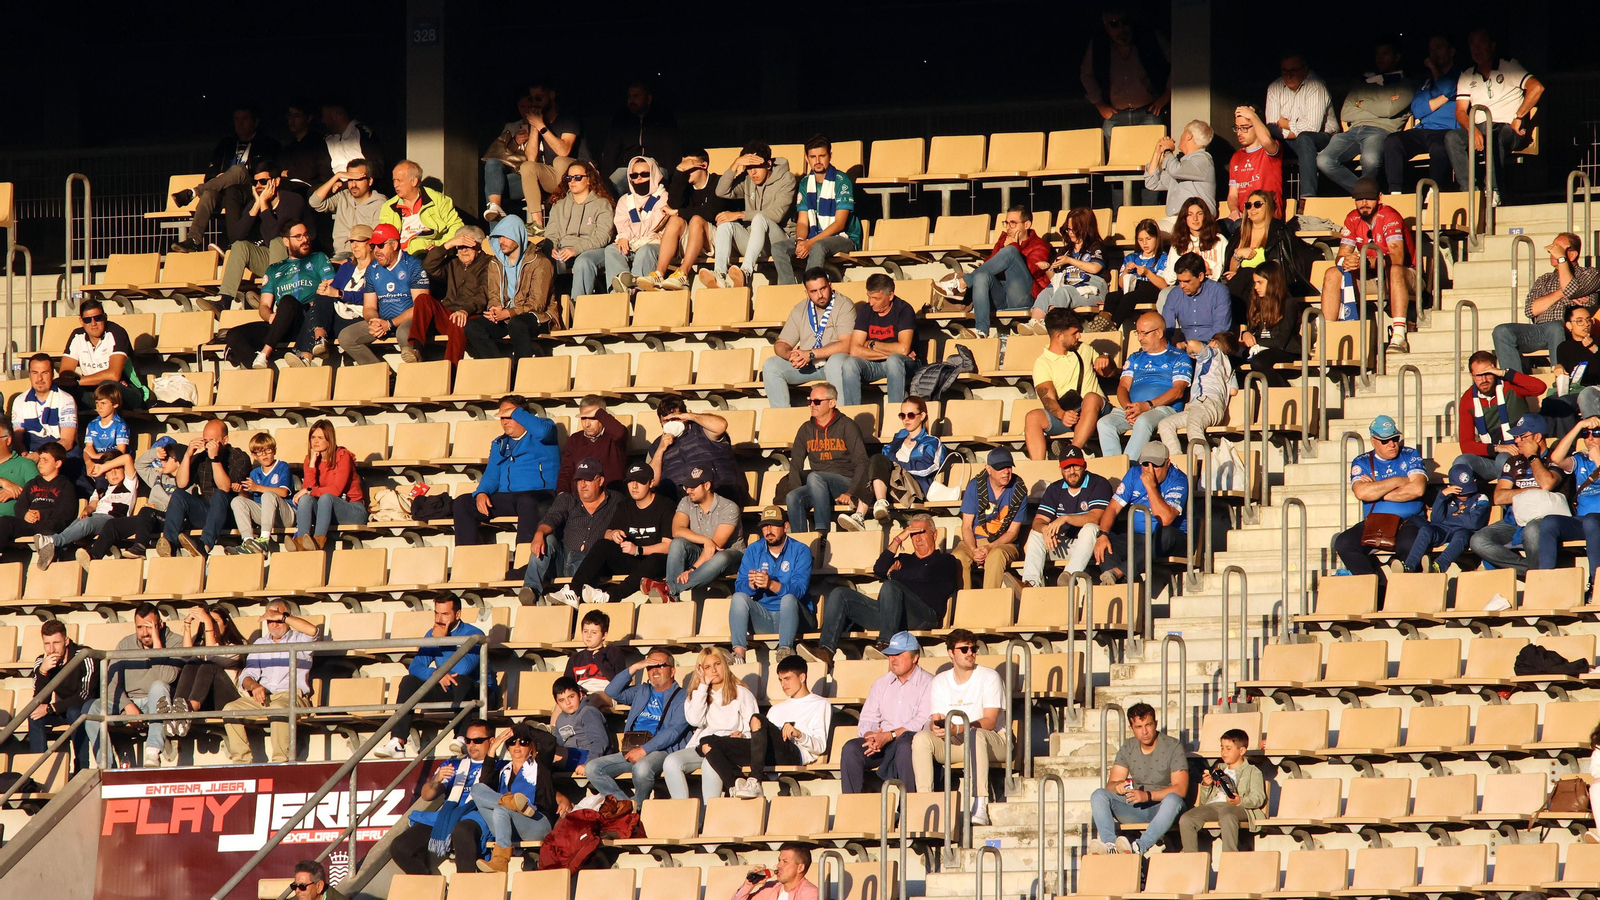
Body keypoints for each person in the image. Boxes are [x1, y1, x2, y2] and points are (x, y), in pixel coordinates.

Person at [815, 514, 960, 667]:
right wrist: (898, 539)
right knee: (840, 594)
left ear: (934, 534)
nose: (917, 538)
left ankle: (885, 644)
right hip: (892, 616)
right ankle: (826, 650)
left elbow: (924, 574)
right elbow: (879, 569)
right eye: (913, 534)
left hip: (924, 616)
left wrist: (894, 575)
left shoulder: (946, 560)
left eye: (921, 532)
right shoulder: (905, 559)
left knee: (891, 586)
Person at [707, 652, 832, 799]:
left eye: (787, 679)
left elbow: (820, 746)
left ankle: (755, 781)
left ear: (802, 677)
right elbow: (761, 739)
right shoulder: (776, 709)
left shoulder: (820, 704)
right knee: (707, 742)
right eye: (780, 680)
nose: (783, 685)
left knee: (757, 718)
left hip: (794, 754)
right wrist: (743, 738)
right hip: (768, 753)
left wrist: (799, 734)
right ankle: (734, 785)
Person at [914, 629, 1007, 825]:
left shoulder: (990, 677)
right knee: (921, 738)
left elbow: (990, 721)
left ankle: (980, 804)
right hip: (957, 741)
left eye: (974, 649)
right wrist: (936, 727)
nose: (970, 653)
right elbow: (936, 718)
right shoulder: (940, 681)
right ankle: (925, 804)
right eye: (964, 649)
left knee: (976, 734)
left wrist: (959, 728)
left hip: (994, 741)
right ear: (951, 653)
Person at [375, 596, 485, 759]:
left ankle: (462, 738)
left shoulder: (473, 634)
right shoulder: (432, 634)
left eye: (445, 614)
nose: (439, 619)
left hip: (479, 692)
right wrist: (435, 674)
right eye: (437, 613)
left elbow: (463, 668)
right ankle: (398, 742)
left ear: (457, 614)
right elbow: (415, 667)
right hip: (449, 689)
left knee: (461, 680)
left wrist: (443, 641)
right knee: (409, 682)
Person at [167, 104, 282, 253]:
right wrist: (218, 177)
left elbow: (267, 172)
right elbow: (210, 174)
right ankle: (193, 240)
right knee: (208, 194)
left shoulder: (267, 144)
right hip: (224, 191)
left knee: (239, 170)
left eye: (244, 119)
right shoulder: (226, 144)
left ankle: (192, 193)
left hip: (250, 189)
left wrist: (235, 175)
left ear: (256, 121)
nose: (240, 123)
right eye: (236, 119)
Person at [1317, 177, 1414, 353]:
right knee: (1333, 273)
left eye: (1369, 198)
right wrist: (1346, 261)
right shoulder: (1353, 218)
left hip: (1405, 276)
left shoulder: (1390, 216)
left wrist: (1367, 262)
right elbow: (1341, 256)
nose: (1364, 203)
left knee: (1395, 270)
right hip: (1373, 277)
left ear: (1379, 198)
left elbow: (1397, 258)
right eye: (1359, 199)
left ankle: (1399, 336)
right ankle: (1326, 337)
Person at [586, 648, 692, 808]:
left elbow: (674, 731)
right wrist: (635, 667)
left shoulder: (682, 696)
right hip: (632, 747)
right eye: (650, 666)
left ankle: (640, 807)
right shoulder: (642, 691)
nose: (655, 670)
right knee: (593, 768)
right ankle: (627, 806)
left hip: (661, 750)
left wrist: (644, 750)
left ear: (672, 671)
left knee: (641, 769)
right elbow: (611, 691)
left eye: (660, 665)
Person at [1447, 28, 1544, 198]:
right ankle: (1469, 192)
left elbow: (1537, 87)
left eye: (1481, 43)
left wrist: (1519, 116)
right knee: (1452, 137)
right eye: (1473, 45)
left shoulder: (1508, 66)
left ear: (1492, 46)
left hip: (1507, 128)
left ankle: (1493, 191)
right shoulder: (1467, 74)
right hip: (1480, 127)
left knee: (1493, 137)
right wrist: (1472, 129)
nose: (1477, 49)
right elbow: (1460, 111)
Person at [226, 218, 335, 369]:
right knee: (233, 335)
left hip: (305, 320)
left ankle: (265, 354)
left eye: (306, 235)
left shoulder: (318, 258)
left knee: (287, 301)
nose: (305, 239)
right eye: (298, 236)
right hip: (281, 323)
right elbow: (264, 305)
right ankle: (261, 373)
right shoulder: (274, 269)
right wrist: (270, 316)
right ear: (286, 241)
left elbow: (330, 288)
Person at [389, 720, 494, 876]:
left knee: (462, 831)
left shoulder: (501, 766)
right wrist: (436, 780)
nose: (472, 745)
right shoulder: (454, 764)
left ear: (491, 741)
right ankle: (430, 885)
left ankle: (464, 886)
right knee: (400, 847)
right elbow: (426, 795)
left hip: (477, 818)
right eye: (468, 740)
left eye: (478, 740)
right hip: (448, 816)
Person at [1332, 415, 1428, 584]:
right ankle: (1374, 587)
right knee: (1343, 543)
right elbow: (1361, 493)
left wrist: (1377, 490)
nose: (1392, 444)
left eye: (1395, 438)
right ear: (1373, 441)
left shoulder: (1410, 454)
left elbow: (1417, 489)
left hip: (1409, 520)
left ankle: (1403, 590)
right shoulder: (1361, 461)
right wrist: (1398, 481)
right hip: (1377, 522)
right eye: (1385, 441)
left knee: (1408, 545)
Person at [454, 396, 559, 550]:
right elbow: (492, 473)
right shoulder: (500, 443)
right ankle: (466, 555)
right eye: (502, 417)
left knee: (527, 501)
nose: (505, 421)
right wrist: (482, 492)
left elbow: (543, 431)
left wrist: (516, 412)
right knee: (463, 502)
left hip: (540, 493)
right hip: (509, 496)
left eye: (509, 416)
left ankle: (523, 556)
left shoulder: (543, 433)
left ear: (522, 415)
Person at [213, 159, 315, 312]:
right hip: (274, 259)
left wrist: (264, 205)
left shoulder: (293, 201)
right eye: (255, 183)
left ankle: (271, 301)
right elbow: (235, 236)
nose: (258, 186)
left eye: (263, 181)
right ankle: (224, 301)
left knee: (278, 242)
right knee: (240, 246)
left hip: (299, 260)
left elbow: (277, 234)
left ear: (276, 181)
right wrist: (256, 206)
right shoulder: (257, 202)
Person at [222, 599, 317, 764]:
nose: (274, 624)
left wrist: (282, 616)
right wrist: (254, 686)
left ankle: (280, 762)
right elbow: (247, 675)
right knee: (230, 709)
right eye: (270, 619)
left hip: (293, 697)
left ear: (287, 617)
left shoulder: (300, 639)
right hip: (264, 698)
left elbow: (313, 631)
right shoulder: (260, 643)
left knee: (278, 708)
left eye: (278, 619)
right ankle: (241, 762)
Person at [85, 603, 180, 767]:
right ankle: (106, 766)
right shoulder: (125, 644)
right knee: (91, 709)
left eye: (149, 627)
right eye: (140, 627)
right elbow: (109, 682)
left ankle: (152, 753)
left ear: (160, 625)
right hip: (129, 703)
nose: (145, 633)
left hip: (157, 703)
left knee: (159, 686)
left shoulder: (175, 641)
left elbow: (167, 676)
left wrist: (157, 645)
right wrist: (127, 705)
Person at [1491, 233, 1600, 374]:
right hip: (1541, 331)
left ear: (1572, 255)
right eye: (1552, 249)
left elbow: (1570, 289)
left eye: (1557, 249)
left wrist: (1562, 260)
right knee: (1501, 331)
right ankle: (1514, 382)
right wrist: (1561, 293)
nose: (1552, 253)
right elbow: (1530, 310)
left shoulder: (1589, 274)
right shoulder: (1544, 279)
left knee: (1555, 327)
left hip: (1570, 331)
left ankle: (1560, 378)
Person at [1089, 701, 1188, 855]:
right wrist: (1117, 787)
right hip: (1136, 807)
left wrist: (1147, 795)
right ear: (1131, 728)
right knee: (1098, 795)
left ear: (1155, 724)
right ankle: (1110, 845)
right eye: (1139, 727)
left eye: (1148, 725)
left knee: (1173, 800)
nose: (1145, 731)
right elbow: (1111, 784)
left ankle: (1139, 847)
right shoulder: (1128, 747)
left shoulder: (1173, 746)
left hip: (1164, 809)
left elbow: (1180, 789)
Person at [567, 465, 675, 605]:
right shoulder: (624, 506)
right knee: (602, 545)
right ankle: (573, 591)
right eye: (630, 481)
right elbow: (607, 534)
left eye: (640, 481)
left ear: (651, 483)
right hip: (631, 561)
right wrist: (614, 534)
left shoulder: (665, 505)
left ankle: (610, 596)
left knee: (656, 559)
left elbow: (668, 546)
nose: (634, 486)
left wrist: (638, 550)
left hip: (655, 563)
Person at [839, 632, 932, 793]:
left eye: (899, 654)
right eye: (890, 655)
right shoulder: (881, 684)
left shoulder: (929, 682)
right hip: (881, 742)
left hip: (908, 741)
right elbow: (867, 718)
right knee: (850, 749)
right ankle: (852, 803)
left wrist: (889, 735)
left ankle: (908, 804)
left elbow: (922, 721)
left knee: (905, 747)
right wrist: (871, 735)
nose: (893, 659)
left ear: (915, 657)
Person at [1317, 42, 1414, 195]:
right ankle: (1367, 194)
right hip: (1353, 131)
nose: (1379, 58)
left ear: (1397, 57)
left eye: (1385, 54)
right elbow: (1346, 113)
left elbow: (1390, 110)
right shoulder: (1364, 83)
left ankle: (1366, 197)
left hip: (1381, 131)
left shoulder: (1406, 84)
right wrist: (1381, 107)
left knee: (1370, 159)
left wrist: (1361, 104)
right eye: (1377, 54)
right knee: (1324, 160)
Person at [665, 648, 759, 800]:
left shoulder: (742, 693)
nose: (714, 670)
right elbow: (695, 721)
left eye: (717, 664)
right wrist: (702, 687)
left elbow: (754, 726)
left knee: (710, 763)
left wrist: (743, 736)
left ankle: (710, 810)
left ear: (724, 665)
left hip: (729, 746)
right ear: (701, 670)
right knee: (671, 762)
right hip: (702, 745)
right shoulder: (697, 694)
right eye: (707, 667)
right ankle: (683, 809)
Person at [838, 395, 946, 529]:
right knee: (873, 463)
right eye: (902, 415)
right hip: (891, 486)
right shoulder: (898, 439)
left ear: (922, 415)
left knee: (877, 462)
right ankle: (864, 513)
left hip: (913, 489)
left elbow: (927, 468)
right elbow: (882, 460)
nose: (906, 419)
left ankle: (870, 508)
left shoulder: (932, 442)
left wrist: (897, 466)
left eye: (911, 415)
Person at [1098, 311, 1193, 458]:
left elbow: (1178, 391)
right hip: (1133, 408)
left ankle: (1129, 466)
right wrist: (1129, 409)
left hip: (1163, 409)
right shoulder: (1135, 357)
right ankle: (1115, 466)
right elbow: (1123, 386)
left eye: (1144, 333)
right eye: (1138, 333)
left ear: (1159, 333)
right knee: (1104, 423)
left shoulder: (1179, 357)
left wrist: (1147, 406)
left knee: (1143, 421)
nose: (1139, 338)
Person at [524, 458, 619, 605]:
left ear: (600, 481)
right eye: (579, 480)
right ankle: (530, 590)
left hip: (589, 563)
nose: (582, 484)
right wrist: (539, 533)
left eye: (587, 479)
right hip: (562, 558)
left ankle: (572, 595)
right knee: (547, 539)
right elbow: (551, 518)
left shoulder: (616, 501)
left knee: (596, 555)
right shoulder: (567, 499)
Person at [465, 215, 560, 360]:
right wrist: (495, 309)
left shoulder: (540, 262)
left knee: (517, 324)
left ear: (517, 235)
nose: (501, 241)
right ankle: (498, 367)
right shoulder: (495, 263)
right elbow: (494, 294)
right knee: (473, 327)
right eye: (499, 237)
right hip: (506, 316)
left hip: (539, 317)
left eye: (506, 236)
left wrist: (508, 313)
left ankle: (521, 368)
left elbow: (538, 303)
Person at [1094, 443, 1190, 585]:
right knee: (1108, 544)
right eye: (1145, 464)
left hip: (1173, 539)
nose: (1150, 470)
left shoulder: (1178, 479)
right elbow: (1113, 508)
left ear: (1167, 463)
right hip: (1140, 537)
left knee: (1165, 534)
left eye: (1156, 465)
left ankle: (1119, 572)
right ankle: (1120, 586)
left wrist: (1150, 487)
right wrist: (1103, 534)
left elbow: (1166, 519)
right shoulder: (1134, 473)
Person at [729, 506, 815, 663]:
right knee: (738, 597)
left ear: (785, 526)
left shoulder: (801, 550)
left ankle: (785, 650)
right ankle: (739, 655)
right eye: (765, 526)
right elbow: (739, 586)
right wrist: (751, 585)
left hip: (797, 617)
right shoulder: (753, 550)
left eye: (774, 525)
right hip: (764, 617)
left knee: (788, 598)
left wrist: (771, 584)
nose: (769, 531)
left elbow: (799, 590)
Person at [705, 142, 797, 289]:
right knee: (725, 223)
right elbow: (721, 192)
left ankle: (746, 271)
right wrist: (735, 164)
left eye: (756, 167)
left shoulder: (787, 179)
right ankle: (719, 274)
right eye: (748, 168)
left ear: (768, 164)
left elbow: (777, 214)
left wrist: (740, 214)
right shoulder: (748, 179)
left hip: (780, 241)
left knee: (759, 218)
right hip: (754, 242)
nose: (753, 172)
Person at [1022, 447, 1115, 589]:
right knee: (1036, 534)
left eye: (1076, 466)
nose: (1072, 471)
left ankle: (1068, 578)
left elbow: (1096, 517)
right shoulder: (1055, 488)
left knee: (1090, 528)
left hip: (1093, 546)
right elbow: (1038, 521)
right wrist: (1046, 530)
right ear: (1061, 469)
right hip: (1064, 544)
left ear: (1084, 465)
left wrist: (1065, 518)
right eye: (1067, 467)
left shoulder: (1098, 483)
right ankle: (1031, 584)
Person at [773, 135, 861, 284]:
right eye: (813, 157)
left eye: (822, 156)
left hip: (844, 237)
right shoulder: (805, 183)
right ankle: (789, 289)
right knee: (778, 248)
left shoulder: (842, 181)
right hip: (813, 236)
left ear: (830, 156)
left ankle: (810, 289)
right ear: (807, 158)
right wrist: (801, 241)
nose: (817, 161)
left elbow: (839, 224)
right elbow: (802, 221)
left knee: (818, 246)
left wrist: (810, 243)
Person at [337, 223, 428, 365]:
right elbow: (369, 307)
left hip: (408, 320)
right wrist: (374, 322)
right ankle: (381, 372)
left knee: (403, 333)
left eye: (380, 245)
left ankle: (415, 366)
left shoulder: (413, 265)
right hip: (383, 321)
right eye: (373, 246)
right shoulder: (373, 268)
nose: (376, 251)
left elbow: (421, 307)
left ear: (394, 245)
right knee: (347, 337)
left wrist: (390, 324)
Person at [955, 206, 1051, 339]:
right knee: (981, 276)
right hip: (1000, 295)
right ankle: (981, 331)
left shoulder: (1040, 246)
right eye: (1006, 223)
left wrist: (1014, 247)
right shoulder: (1004, 240)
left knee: (1010, 252)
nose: (1008, 228)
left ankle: (963, 283)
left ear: (1027, 225)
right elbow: (991, 262)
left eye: (1013, 223)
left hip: (1022, 297)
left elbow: (1031, 270)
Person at [471, 722, 557, 872]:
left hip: (537, 822)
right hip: (506, 827)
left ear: (531, 746)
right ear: (508, 747)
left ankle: (500, 859)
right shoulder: (502, 770)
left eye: (523, 742)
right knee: (477, 789)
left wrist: (519, 729)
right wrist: (492, 749)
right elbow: (484, 783)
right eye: (512, 742)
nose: (517, 746)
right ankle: (512, 802)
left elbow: (549, 741)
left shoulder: (540, 765)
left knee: (501, 809)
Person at [764, 269, 856, 406]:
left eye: (823, 289)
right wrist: (791, 355)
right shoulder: (800, 309)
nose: (820, 295)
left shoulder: (844, 305)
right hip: (808, 364)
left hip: (833, 363)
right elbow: (781, 343)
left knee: (836, 362)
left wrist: (811, 354)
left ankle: (840, 414)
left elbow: (846, 344)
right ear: (807, 293)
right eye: (813, 291)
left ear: (830, 286)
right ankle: (782, 416)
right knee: (771, 366)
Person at [1452, 351, 1546, 485]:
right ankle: (1471, 498)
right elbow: (1466, 445)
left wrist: (1504, 373)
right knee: (1461, 462)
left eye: (1488, 373)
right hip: (1493, 456)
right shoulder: (1468, 400)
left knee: (1503, 459)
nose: (1484, 380)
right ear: (1471, 375)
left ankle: (1505, 497)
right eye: (1478, 375)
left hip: (1520, 453)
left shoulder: (1509, 386)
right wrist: (1496, 448)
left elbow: (1540, 387)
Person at [785, 384, 869, 534]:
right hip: (817, 487)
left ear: (832, 403)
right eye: (809, 401)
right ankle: (800, 541)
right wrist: (797, 489)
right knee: (793, 497)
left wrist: (851, 492)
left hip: (844, 483)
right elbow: (795, 464)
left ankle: (822, 533)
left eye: (817, 401)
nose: (812, 405)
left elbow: (862, 462)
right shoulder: (805, 429)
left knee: (814, 476)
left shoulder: (847, 426)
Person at [34, 450, 139, 569]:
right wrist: (87, 510)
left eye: (117, 468)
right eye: (109, 471)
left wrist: (103, 467)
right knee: (73, 526)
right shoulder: (101, 490)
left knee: (86, 523)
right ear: (105, 475)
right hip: (96, 517)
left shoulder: (129, 484)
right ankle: (52, 555)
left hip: (113, 520)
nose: (113, 473)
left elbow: (127, 458)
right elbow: (92, 505)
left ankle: (52, 540)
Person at [1025, 309, 1108, 459]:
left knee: (1090, 397)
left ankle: (1072, 453)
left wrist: (1105, 358)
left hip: (1096, 408)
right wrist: (1062, 414)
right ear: (1060, 336)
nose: (1079, 336)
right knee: (1032, 417)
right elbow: (1047, 399)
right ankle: (1037, 467)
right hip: (1068, 413)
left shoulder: (1084, 349)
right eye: (1074, 333)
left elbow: (1108, 373)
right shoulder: (1042, 363)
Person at [637, 148, 724, 290]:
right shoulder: (685, 186)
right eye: (682, 167)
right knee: (675, 220)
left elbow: (711, 212)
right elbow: (673, 204)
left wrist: (679, 212)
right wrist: (679, 173)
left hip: (716, 239)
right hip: (692, 241)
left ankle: (683, 274)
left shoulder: (718, 182)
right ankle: (659, 274)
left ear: (703, 165)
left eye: (688, 166)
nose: (685, 170)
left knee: (696, 219)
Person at [1080, 6, 1171, 142]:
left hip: (1149, 111)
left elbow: (1177, 64)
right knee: (1112, 152)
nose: (1121, 29)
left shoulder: (1150, 38)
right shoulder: (1099, 45)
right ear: (1106, 26)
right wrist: (1099, 104)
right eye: (1114, 24)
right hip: (1115, 114)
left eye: (1125, 22)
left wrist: (1167, 94)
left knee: (1155, 151)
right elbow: (1086, 74)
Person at [828, 273, 919, 406]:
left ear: (890, 296)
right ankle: (852, 413)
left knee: (894, 361)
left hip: (906, 364)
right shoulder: (866, 310)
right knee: (850, 364)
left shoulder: (904, 310)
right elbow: (854, 350)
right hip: (874, 364)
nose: (871, 302)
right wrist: (891, 352)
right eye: (869, 297)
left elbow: (903, 349)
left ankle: (895, 412)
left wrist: (872, 344)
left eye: (876, 298)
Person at [1384, 36, 1462, 193]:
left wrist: (1434, 70)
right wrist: (1445, 97)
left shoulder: (1461, 74)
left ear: (1451, 52)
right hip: (1424, 129)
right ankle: (1395, 193)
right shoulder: (1425, 80)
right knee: (1393, 140)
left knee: (1440, 147)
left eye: (1439, 48)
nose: (1434, 54)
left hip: (1448, 130)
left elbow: (1448, 87)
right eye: (1431, 51)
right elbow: (1417, 109)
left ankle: (1434, 192)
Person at [951, 448, 1029, 591]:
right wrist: (974, 550)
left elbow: (1013, 532)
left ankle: (989, 600)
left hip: (1004, 543)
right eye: (1000, 468)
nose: (1006, 472)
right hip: (975, 540)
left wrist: (990, 547)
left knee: (996, 555)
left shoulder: (1019, 490)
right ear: (988, 469)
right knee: (958, 556)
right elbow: (966, 527)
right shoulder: (975, 486)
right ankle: (963, 601)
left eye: (1008, 467)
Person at [25, 619, 97, 772]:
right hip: (62, 708)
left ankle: (81, 768)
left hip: (88, 708)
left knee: (74, 712)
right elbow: (40, 701)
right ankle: (39, 769)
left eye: (56, 643)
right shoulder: (41, 661)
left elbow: (84, 696)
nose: (51, 649)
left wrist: (51, 708)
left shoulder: (84, 656)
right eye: (47, 644)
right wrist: (43, 672)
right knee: (34, 715)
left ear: (66, 641)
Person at [1177, 728, 1264, 853]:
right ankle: (1191, 859)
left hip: (1238, 807)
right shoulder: (1218, 770)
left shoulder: (1252, 771)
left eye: (1228, 749)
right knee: (1187, 818)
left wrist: (1240, 801)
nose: (1224, 752)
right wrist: (1206, 785)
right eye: (1222, 748)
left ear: (1242, 751)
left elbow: (1258, 798)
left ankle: (1230, 857)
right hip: (1214, 806)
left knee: (1227, 816)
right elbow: (1205, 801)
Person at [663, 467, 744, 600]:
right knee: (677, 543)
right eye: (686, 487)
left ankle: (669, 589)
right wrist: (705, 540)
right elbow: (677, 530)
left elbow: (715, 547)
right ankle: (672, 596)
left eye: (693, 487)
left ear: (707, 486)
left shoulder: (729, 507)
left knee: (722, 557)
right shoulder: (686, 502)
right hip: (700, 553)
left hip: (729, 556)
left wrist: (693, 569)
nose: (688, 491)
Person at [1265, 53, 1337, 198]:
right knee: (1266, 141)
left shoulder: (1315, 85)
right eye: (1285, 71)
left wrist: (1285, 124)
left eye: (1293, 71)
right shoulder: (1274, 88)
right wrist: (1290, 131)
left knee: (1304, 139)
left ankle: (1307, 196)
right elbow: (1272, 126)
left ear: (1305, 69)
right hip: (1290, 140)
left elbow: (1312, 127)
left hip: (1323, 139)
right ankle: (1269, 198)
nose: (1289, 76)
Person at [415, 225, 490, 365]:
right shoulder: (453, 263)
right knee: (423, 299)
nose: (464, 250)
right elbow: (428, 266)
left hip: (473, 314)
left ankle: (450, 368)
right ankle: (416, 349)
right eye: (460, 246)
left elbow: (483, 293)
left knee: (458, 320)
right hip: (449, 312)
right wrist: (447, 245)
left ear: (479, 247)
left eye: (469, 246)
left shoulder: (489, 263)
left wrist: (465, 310)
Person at [647, 396, 744, 503]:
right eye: (666, 421)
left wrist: (691, 416)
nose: (671, 423)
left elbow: (721, 425)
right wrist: (660, 449)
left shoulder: (703, 429)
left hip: (717, 489)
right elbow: (650, 480)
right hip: (679, 498)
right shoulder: (657, 446)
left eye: (675, 418)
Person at [512, 82, 584, 227]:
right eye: (532, 99)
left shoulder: (567, 117)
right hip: (557, 178)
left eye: (539, 98)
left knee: (559, 161)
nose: (535, 103)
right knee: (527, 166)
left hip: (579, 173)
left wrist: (541, 126)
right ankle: (537, 224)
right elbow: (531, 158)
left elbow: (563, 151)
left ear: (551, 95)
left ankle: (565, 216)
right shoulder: (539, 122)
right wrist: (535, 127)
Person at [1027, 208, 1112, 329]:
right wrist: (1048, 269)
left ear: (1086, 228)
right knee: (1046, 293)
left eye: (1074, 229)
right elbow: (1055, 279)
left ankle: (1051, 325)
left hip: (1091, 288)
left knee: (1063, 292)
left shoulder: (1096, 246)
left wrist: (1070, 260)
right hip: (1067, 284)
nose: (1070, 233)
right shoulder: (1065, 250)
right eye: (1068, 229)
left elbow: (1095, 268)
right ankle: (1034, 323)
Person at [1539, 417, 1600, 585]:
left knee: (1591, 521)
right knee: (1549, 522)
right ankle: (1545, 583)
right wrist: (1579, 425)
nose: (1590, 438)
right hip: (1585, 522)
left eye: (1596, 433)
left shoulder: (1595, 457)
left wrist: (1598, 459)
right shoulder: (1581, 458)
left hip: (1595, 521)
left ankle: (1596, 582)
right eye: (1585, 434)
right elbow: (1556, 459)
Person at [167, 606, 245, 739]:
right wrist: (187, 625)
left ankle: (188, 709)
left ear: (226, 623)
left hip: (229, 701)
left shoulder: (237, 646)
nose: (212, 626)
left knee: (208, 666)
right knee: (191, 665)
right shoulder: (201, 646)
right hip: (206, 702)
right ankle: (178, 710)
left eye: (215, 622)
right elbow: (186, 657)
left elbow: (212, 656)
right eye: (207, 622)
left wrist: (208, 622)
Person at [58, 298, 148, 411]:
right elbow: (65, 374)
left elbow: (113, 375)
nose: (93, 323)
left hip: (127, 391)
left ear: (105, 317)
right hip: (93, 391)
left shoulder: (116, 332)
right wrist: (72, 382)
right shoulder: (77, 336)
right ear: (81, 321)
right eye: (87, 320)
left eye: (98, 318)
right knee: (61, 388)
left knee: (107, 386)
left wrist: (77, 381)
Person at [291, 419, 367, 550]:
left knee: (326, 497)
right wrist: (312, 464)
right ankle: (301, 541)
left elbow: (336, 490)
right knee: (305, 499)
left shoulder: (343, 456)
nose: (315, 441)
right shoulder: (310, 459)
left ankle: (318, 541)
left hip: (353, 509)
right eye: (313, 437)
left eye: (320, 438)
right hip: (325, 512)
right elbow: (308, 489)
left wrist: (309, 490)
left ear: (329, 440)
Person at [1159, 331, 1238, 458]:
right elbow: (1233, 391)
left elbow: (1193, 344)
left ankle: (1202, 461)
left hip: (1206, 402)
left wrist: (1185, 345)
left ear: (1214, 343)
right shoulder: (1229, 366)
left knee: (1194, 427)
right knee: (1165, 424)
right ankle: (1176, 460)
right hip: (1206, 408)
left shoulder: (1213, 353)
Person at [1405, 463, 1492, 574]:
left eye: (1468, 491)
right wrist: (1441, 496)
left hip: (1464, 534)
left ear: (1474, 482)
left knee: (1462, 534)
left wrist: (1446, 520)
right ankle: (1409, 567)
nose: (1463, 495)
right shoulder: (1447, 497)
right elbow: (1436, 520)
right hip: (1444, 531)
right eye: (1459, 492)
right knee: (1426, 530)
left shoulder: (1481, 498)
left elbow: (1473, 523)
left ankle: (1437, 567)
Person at [545, 161, 616, 296]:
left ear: (589, 180)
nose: (572, 181)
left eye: (577, 178)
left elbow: (602, 237)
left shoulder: (602, 204)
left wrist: (576, 249)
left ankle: (578, 304)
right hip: (563, 249)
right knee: (541, 259)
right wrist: (552, 247)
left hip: (593, 250)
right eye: (569, 178)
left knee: (583, 261)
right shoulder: (559, 205)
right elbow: (552, 233)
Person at [600, 81, 680, 196]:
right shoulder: (621, 120)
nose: (632, 100)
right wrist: (607, 177)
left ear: (648, 99)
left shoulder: (663, 118)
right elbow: (611, 151)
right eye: (629, 96)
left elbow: (672, 150)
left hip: (657, 167)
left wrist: (673, 177)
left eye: (636, 96)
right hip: (628, 169)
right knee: (610, 186)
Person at [1235, 261, 1305, 387]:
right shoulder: (1256, 302)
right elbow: (1252, 329)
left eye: (1260, 282)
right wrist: (1246, 334)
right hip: (1262, 349)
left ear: (1272, 282)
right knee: (1232, 361)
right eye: (1255, 282)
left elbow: (1280, 341)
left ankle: (1284, 391)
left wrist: (1255, 341)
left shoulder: (1288, 304)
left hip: (1286, 351)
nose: (1256, 287)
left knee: (1259, 362)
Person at [607, 155, 670, 294]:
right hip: (633, 242)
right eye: (634, 175)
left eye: (644, 174)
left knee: (646, 250)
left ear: (653, 174)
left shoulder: (664, 198)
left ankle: (637, 291)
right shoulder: (625, 200)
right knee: (612, 250)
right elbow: (621, 224)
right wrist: (625, 236)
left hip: (656, 243)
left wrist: (626, 235)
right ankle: (619, 292)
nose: (639, 178)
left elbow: (653, 223)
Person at [380, 159, 463, 260]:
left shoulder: (438, 201)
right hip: (399, 259)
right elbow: (384, 237)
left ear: (414, 181)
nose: (395, 185)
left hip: (429, 257)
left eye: (399, 181)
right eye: (394, 180)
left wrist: (440, 246)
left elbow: (457, 226)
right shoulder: (388, 207)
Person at [0, 442, 75, 549]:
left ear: (57, 463)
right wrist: (25, 514)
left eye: (45, 460)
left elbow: (67, 511)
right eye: (40, 459)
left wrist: (42, 514)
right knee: (4, 522)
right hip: (30, 523)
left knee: (53, 525)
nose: (40, 463)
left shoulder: (65, 485)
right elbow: (20, 505)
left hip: (50, 523)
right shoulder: (32, 483)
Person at [228, 432, 292, 555]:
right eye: (259, 452)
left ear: (274, 450)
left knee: (268, 495)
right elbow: (250, 498)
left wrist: (257, 487)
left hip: (284, 514)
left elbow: (284, 492)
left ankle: (264, 539)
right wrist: (241, 491)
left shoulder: (282, 466)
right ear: (254, 455)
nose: (264, 454)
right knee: (237, 501)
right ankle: (248, 541)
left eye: (268, 450)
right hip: (264, 515)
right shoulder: (255, 473)